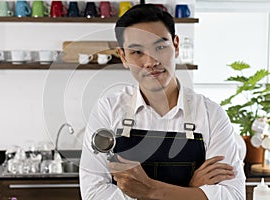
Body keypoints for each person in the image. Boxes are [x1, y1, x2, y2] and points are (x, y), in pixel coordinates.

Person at [80, 4, 245, 200]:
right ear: (123, 56)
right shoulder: (108, 110)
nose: (150, 62)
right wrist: (189, 190)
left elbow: (233, 195)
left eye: (160, 47)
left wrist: (150, 190)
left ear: (176, 45)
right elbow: (94, 194)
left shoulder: (211, 114)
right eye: (137, 52)